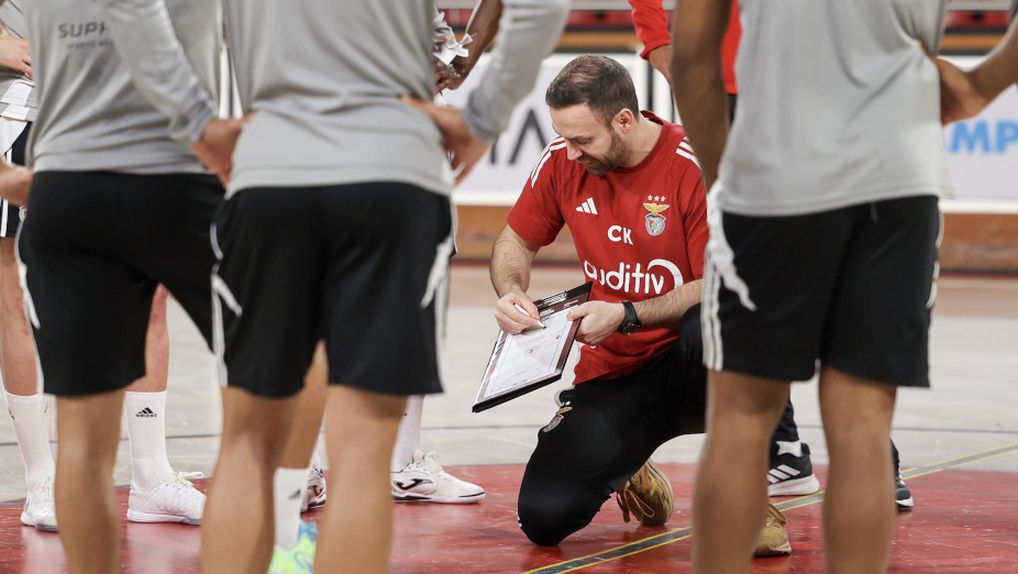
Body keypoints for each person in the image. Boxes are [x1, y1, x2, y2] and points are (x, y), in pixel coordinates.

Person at [670, 1, 956, 571]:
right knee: (864, 429)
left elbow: (693, 53)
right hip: (900, 175)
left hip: (775, 172)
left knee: (743, 421)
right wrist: (983, 83)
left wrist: (726, 179)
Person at [489, 54, 788, 556]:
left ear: (625, 119)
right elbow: (512, 242)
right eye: (563, 137)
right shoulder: (561, 161)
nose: (571, 151)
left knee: (725, 322)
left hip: (693, 365)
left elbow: (718, 282)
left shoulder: (695, 165)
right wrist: (512, 290)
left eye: (583, 139)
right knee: (544, 516)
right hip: (615, 374)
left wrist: (626, 313)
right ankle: (629, 462)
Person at [16, 0, 241, 570]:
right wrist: (207, 129)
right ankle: (282, 533)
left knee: (83, 439)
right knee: (273, 396)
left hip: (67, 184)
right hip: (169, 171)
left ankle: (154, 481)